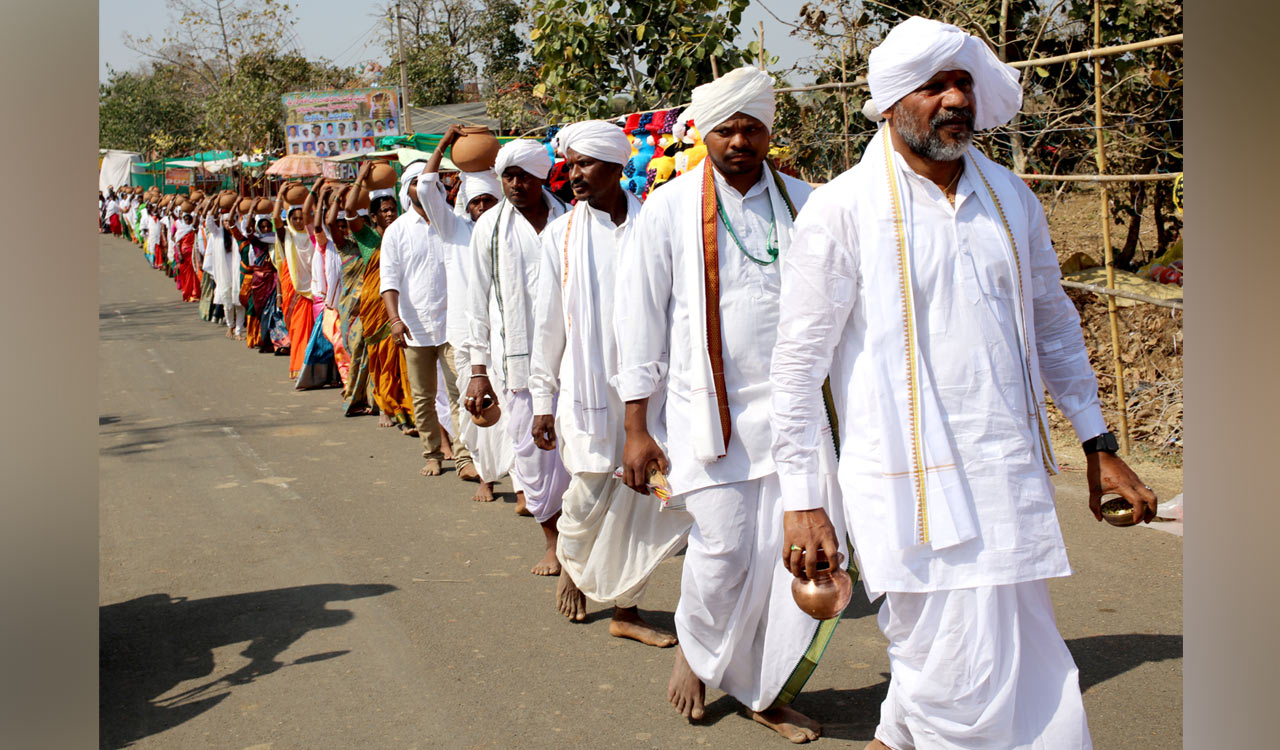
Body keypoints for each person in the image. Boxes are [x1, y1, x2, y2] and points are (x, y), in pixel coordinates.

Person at [770, 17, 1162, 750]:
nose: (955, 99)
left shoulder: (1012, 199)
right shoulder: (841, 209)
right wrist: (803, 502)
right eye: (934, 86)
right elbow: (796, 367)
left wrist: (1097, 440)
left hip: (1006, 478)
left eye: (963, 84)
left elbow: (1053, 326)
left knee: (1015, 672)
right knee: (950, 680)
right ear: (890, 102)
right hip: (906, 492)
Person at [614, 66, 830, 742]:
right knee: (724, 553)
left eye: (753, 127)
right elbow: (640, 320)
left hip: (797, 417)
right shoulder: (669, 208)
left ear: (770, 131)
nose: (740, 139)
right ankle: (695, 654)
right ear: (705, 132)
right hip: (707, 416)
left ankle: (763, 690)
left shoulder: (808, 202)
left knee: (784, 560)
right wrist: (635, 428)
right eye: (727, 128)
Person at [529, 120, 693, 644]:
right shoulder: (560, 236)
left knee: (647, 501)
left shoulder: (656, 225)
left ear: (617, 166)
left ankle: (627, 611)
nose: (573, 175)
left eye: (585, 164)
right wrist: (541, 400)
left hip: (654, 395)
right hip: (588, 395)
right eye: (570, 165)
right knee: (585, 497)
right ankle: (575, 569)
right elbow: (547, 324)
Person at [464, 139, 571, 575]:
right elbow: (476, 302)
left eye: (523, 175)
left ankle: (579, 548)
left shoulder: (571, 216)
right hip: (520, 368)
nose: (515, 184)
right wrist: (477, 371)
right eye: (507, 176)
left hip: (576, 361)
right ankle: (553, 542)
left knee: (581, 458)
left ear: (541, 175)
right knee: (533, 457)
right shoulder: (489, 227)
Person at [416, 125, 505, 503]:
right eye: (476, 202)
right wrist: (446, 140)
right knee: (473, 406)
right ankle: (485, 475)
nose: (482, 207)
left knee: (511, 405)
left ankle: (516, 478)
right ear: (465, 206)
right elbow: (425, 187)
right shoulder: (452, 229)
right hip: (464, 334)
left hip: (504, 332)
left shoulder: (507, 229)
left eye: (488, 200)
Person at [381, 159, 479, 478]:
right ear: (406, 191)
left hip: (453, 325)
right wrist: (395, 320)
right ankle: (433, 452)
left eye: (432, 183)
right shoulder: (397, 231)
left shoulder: (451, 223)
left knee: (458, 392)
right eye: (416, 182)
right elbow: (390, 280)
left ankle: (464, 457)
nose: (424, 188)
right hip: (414, 327)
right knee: (423, 397)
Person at [340, 164, 416, 434]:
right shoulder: (368, 237)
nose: (389, 214)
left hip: (398, 305)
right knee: (380, 358)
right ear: (373, 216)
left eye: (392, 209)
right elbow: (349, 211)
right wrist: (360, 178)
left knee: (402, 360)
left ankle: (406, 413)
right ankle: (385, 406)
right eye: (383, 211)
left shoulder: (404, 233)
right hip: (373, 307)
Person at [274, 181, 318, 380]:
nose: (299, 221)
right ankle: (299, 366)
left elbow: (315, 215)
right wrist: (281, 195)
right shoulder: (287, 235)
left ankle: (315, 367)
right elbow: (275, 217)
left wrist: (314, 191)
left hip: (315, 287)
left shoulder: (313, 233)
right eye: (295, 218)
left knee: (315, 329)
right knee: (298, 328)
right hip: (293, 287)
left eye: (302, 217)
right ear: (289, 219)